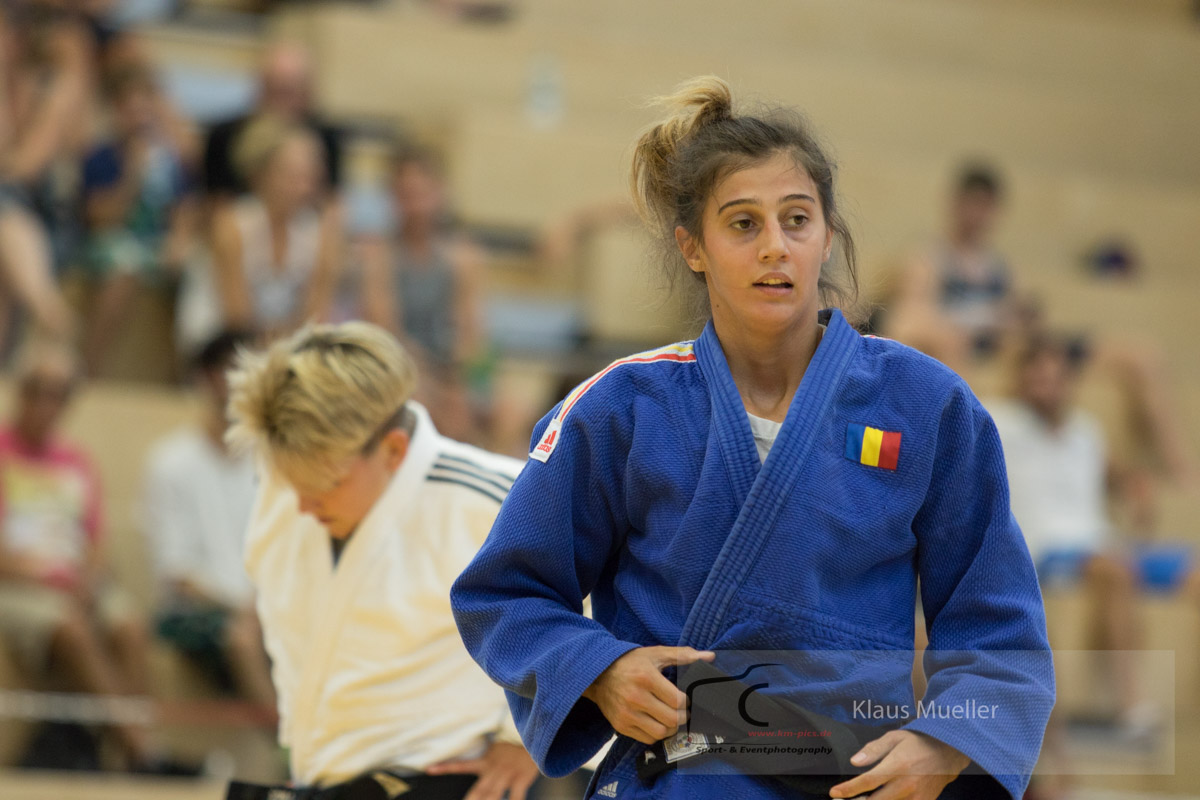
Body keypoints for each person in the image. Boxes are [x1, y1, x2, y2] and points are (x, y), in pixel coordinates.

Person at [451, 77, 1054, 800]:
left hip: (848, 779)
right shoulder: (621, 407)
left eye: (796, 220)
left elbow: (999, 632)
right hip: (679, 778)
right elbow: (505, 595)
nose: (775, 247)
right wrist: (599, 669)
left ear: (827, 234)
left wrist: (947, 740)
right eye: (743, 224)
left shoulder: (926, 405)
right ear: (693, 247)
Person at [224, 321, 540, 800]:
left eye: (325, 485)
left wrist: (527, 738)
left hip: (441, 782)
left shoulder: (498, 499)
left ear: (392, 450)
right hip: (318, 777)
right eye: (292, 484)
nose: (303, 506)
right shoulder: (283, 488)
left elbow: (608, 605)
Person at [0, 338, 159, 769]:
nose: (46, 404)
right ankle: (142, 752)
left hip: (74, 580)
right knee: (71, 628)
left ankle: (130, 752)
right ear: (20, 390)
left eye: (58, 394)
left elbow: (95, 541)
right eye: (37, 390)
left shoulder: (78, 460)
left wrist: (87, 578)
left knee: (129, 626)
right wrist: (51, 579)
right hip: (15, 582)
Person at [141, 330, 276, 715]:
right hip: (193, 612)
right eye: (231, 371)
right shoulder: (170, 462)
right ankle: (293, 754)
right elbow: (177, 573)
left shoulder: (271, 464)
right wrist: (247, 607)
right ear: (205, 378)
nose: (242, 385)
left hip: (260, 608)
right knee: (244, 639)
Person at [177, 115, 342, 354]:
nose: (301, 187)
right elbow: (236, 317)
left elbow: (316, 315)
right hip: (222, 341)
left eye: (308, 177)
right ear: (260, 174)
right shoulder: (231, 225)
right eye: (290, 176)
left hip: (286, 346)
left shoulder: (321, 234)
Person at [360, 144, 488, 442]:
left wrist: (463, 382)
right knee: (422, 404)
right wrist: (432, 383)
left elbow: (472, 334)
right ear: (392, 198)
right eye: (406, 195)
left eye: (422, 194)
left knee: (510, 410)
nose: (416, 205)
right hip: (401, 371)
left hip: (449, 372)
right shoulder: (379, 257)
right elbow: (386, 334)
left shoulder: (464, 257)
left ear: (440, 193)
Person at [78, 62, 198, 376]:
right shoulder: (100, 156)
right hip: (114, 242)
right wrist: (132, 175)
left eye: (146, 109)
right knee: (124, 267)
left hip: (158, 246)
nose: (140, 118)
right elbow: (98, 218)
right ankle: (90, 367)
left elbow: (184, 208)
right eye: (131, 109)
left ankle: (186, 374)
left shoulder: (171, 160)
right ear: (116, 112)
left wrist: (180, 240)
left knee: (196, 273)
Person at [201, 41, 342, 201]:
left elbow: (331, 204)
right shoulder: (224, 138)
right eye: (274, 91)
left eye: (288, 92)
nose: (280, 105)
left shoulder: (326, 140)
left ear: (308, 94)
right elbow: (213, 204)